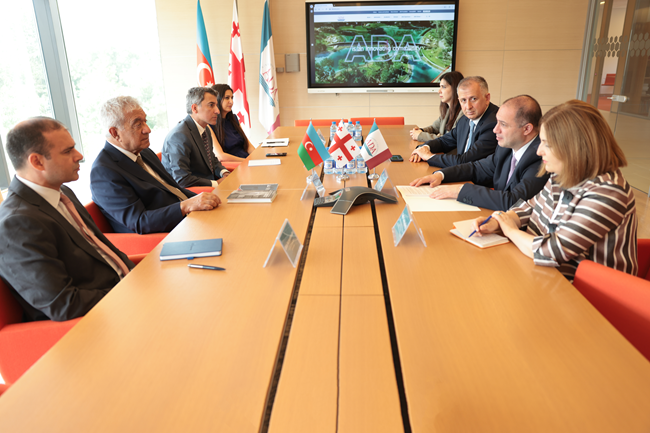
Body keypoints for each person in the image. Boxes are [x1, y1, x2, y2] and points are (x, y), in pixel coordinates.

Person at [472, 100, 637, 281]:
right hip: (546, 274)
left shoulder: (608, 193)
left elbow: (554, 250)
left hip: (586, 290)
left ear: (574, 148)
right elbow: (531, 207)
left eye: (547, 144)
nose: (538, 151)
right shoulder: (563, 174)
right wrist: (499, 221)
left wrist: (510, 230)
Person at [0, 117, 134, 321]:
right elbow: (64, 305)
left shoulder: (63, 192)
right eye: (68, 151)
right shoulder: (17, 223)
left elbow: (104, 253)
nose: (79, 156)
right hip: (99, 320)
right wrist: (130, 292)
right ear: (37, 162)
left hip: (125, 293)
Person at [91, 97, 221, 234]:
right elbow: (139, 221)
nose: (147, 129)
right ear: (115, 133)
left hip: (190, 220)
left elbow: (174, 190)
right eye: (138, 124)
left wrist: (204, 199)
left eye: (145, 122)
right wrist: (186, 206)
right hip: (168, 235)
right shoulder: (103, 172)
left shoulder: (144, 152)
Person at [409, 95, 549, 211]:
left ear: (527, 129)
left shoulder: (542, 158)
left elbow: (514, 202)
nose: (495, 130)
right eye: (497, 122)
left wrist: (460, 190)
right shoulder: (506, 147)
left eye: (503, 124)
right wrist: (441, 175)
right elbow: (478, 168)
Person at [410, 76, 498, 168]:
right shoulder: (465, 119)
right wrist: (423, 149)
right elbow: (444, 141)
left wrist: (429, 156)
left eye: (473, 99)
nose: (468, 106)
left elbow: (465, 161)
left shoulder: (494, 124)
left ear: (487, 98)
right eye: (463, 100)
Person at [162, 87, 230, 188]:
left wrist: (224, 173)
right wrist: (216, 184)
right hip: (195, 194)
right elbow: (182, 179)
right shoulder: (178, 136)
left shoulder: (205, 129)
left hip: (209, 187)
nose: (217, 111)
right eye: (211, 105)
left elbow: (211, 159)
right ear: (194, 108)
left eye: (216, 105)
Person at [409, 71, 465, 142]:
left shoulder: (463, 113)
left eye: (443, 87)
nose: (439, 91)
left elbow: (449, 140)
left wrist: (420, 135)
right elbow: (434, 128)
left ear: (456, 88)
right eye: (440, 87)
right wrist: (421, 130)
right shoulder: (448, 109)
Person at [210, 83, 255, 162]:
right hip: (234, 165)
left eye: (232, 98)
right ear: (217, 100)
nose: (231, 102)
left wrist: (259, 158)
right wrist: (246, 161)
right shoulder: (209, 125)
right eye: (227, 98)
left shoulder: (234, 118)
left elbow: (248, 146)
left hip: (246, 160)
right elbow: (221, 156)